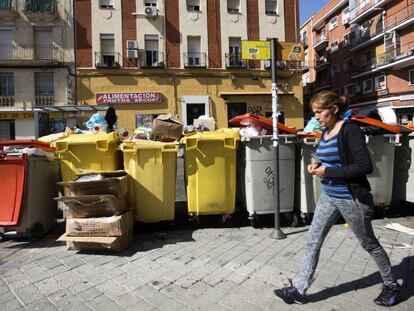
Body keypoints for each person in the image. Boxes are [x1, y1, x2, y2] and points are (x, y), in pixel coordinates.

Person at [274, 91, 402, 307]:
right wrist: (315, 166)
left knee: (368, 243)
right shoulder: (325, 132)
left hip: (352, 199)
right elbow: (329, 160)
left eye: (319, 112)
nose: (316, 117)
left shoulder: (349, 130)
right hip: (329, 196)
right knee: (313, 240)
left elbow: (364, 166)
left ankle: (391, 284)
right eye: (313, 113)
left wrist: (328, 172)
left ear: (333, 109)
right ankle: (300, 289)